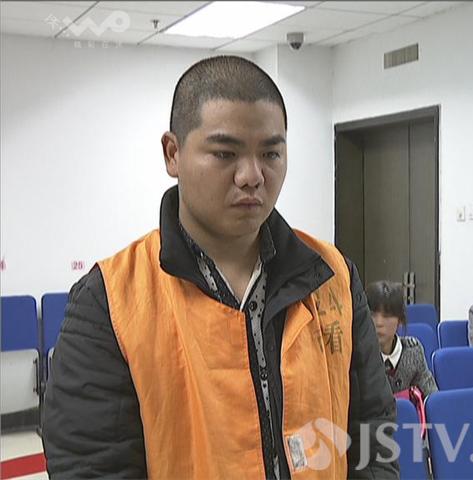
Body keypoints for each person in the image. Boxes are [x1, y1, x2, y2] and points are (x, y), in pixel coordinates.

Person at [42, 56, 399, 480]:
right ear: (173, 154)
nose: (252, 176)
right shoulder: (111, 299)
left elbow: (372, 430)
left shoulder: (332, 275)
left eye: (271, 153)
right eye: (225, 153)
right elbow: (91, 466)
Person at [366, 281, 438, 397]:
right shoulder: (360, 355)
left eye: (387, 316)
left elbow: (431, 395)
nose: (379, 323)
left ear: (400, 320)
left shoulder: (413, 351)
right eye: (373, 315)